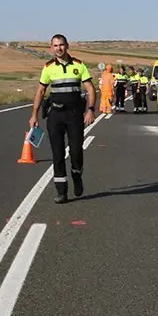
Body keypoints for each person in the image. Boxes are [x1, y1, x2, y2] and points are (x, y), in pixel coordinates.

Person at [29, 34, 96, 204]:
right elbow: (40, 92)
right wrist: (34, 115)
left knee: (76, 151)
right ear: (51, 48)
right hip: (55, 115)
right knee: (57, 155)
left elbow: (90, 88)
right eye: (55, 45)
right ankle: (61, 192)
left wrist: (90, 110)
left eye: (61, 45)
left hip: (74, 115)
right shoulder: (48, 67)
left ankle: (77, 175)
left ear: (67, 46)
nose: (58, 48)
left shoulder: (79, 66)